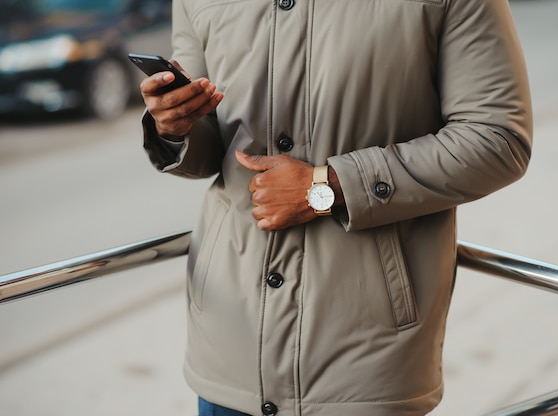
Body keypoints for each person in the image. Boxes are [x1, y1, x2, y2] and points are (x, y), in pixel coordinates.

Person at [139, 0, 532, 414]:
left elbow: (497, 138)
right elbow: (216, 144)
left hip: (362, 355)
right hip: (228, 346)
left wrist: (327, 186)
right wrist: (173, 126)